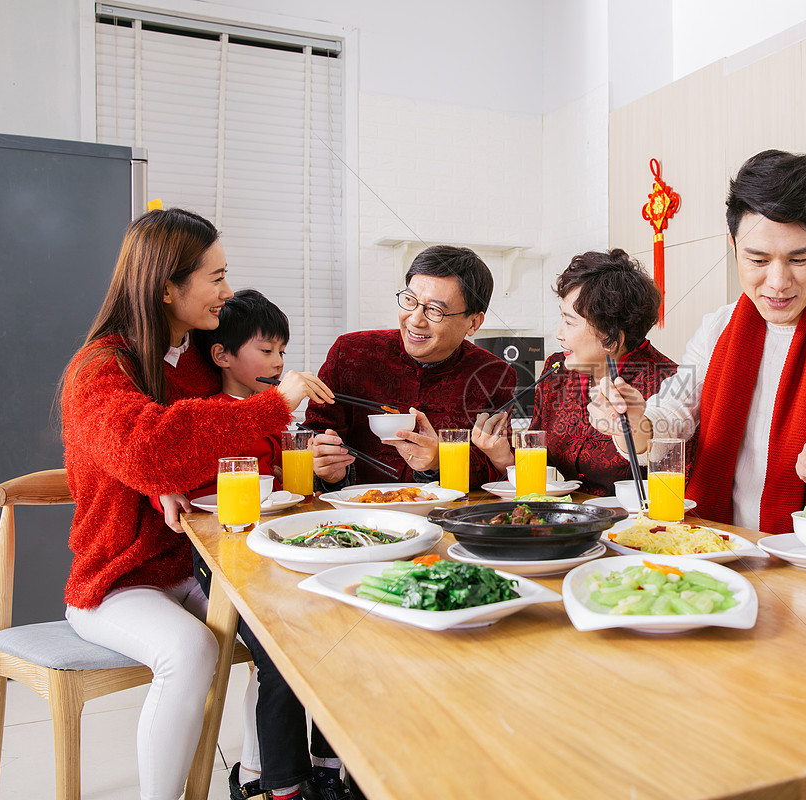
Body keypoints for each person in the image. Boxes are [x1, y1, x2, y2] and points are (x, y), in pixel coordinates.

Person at [60, 208, 333, 800]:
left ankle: (268, 779)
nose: (226, 292)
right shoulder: (99, 369)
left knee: (285, 618)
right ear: (166, 287)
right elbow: (149, 446)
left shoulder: (164, 368)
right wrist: (273, 406)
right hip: (115, 582)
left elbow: (173, 445)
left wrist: (160, 481)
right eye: (215, 277)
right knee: (190, 650)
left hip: (181, 567)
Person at [589, 150, 806, 532]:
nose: (778, 283)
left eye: (798, 259)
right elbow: (674, 412)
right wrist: (636, 422)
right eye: (758, 260)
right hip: (716, 548)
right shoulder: (718, 327)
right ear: (733, 246)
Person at [172, 289, 356, 800]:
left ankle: (327, 767)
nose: (278, 363)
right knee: (283, 658)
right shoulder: (208, 414)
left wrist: (322, 473)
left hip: (276, 550)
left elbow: (289, 494)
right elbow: (214, 492)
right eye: (266, 351)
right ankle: (280, 785)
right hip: (226, 559)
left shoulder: (273, 419)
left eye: (281, 352)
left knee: (334, 637)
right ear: (222, 355)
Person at [471, 249, 685, 495]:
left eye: (569, 322)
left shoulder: (670, 384)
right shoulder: (556, 371)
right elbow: (540, 474)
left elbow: (677, 489)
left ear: (611, 337)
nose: (558, 334)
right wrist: (502, 457)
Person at [308, 245, 515, 489]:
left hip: (442, 516)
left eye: (435, 310)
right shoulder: (352, 352)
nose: (415, 320)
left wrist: (440, 461)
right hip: (355, 513)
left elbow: (496, 467)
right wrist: (327, 469)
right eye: (409, 300)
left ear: (473, 322)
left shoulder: (493, 375)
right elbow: (313, 434)